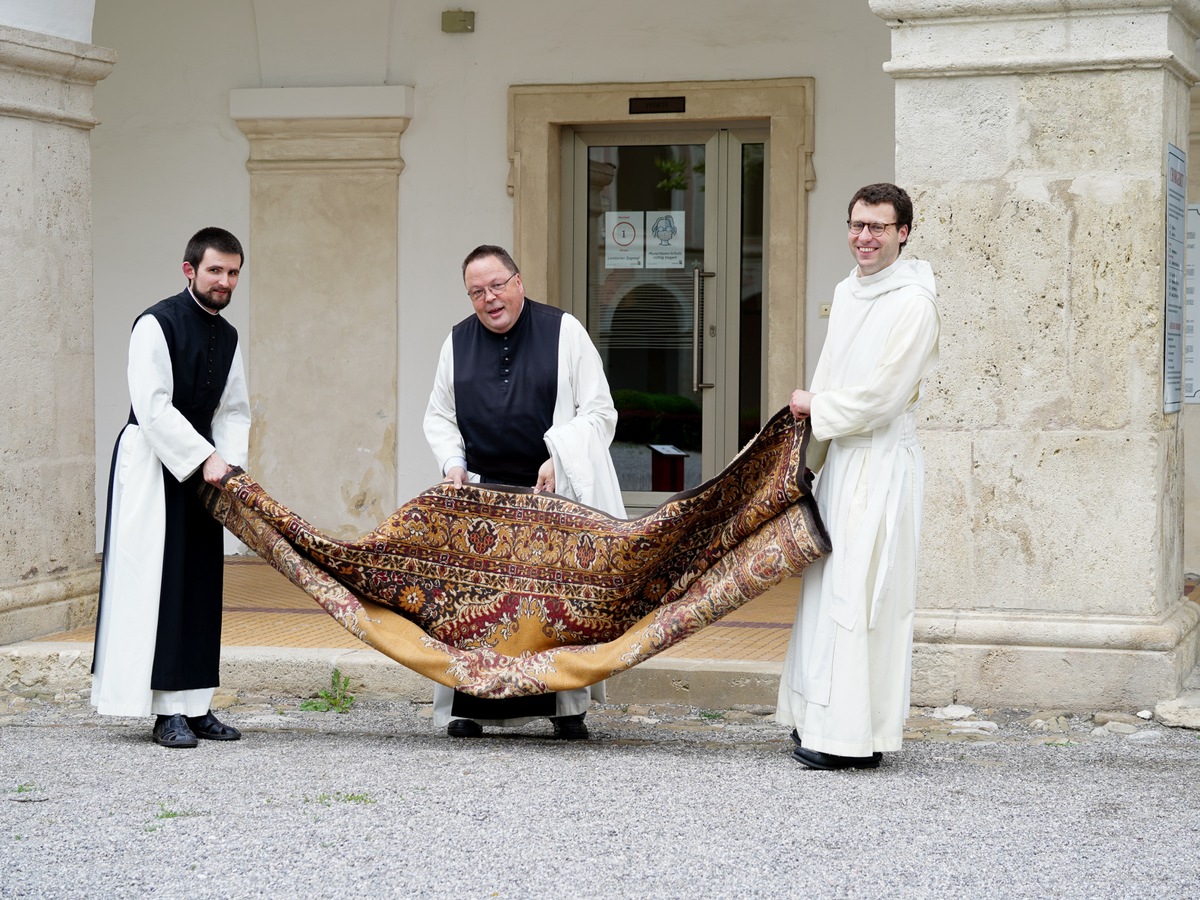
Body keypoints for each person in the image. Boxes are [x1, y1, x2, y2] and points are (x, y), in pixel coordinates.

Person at [424, 244, 626, 740]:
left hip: (548, 495)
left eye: (497, 286)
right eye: (476, 292)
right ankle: (471, 706)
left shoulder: (565, 331)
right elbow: (440, 416)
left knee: (548, 609)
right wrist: (453, 465)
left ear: (518, 281)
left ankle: (565, 709)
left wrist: (559, 459)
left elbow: (600, 412)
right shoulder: (456, 342)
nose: (489, 299)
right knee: (479, 610)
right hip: (483, 498)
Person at [777, 183, 940, 770]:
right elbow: (830, 373)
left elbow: (883, 397)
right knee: (827, 593)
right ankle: (817, 720)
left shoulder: (915, 304)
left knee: (863, 596)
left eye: (877, 227)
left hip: (880, 463)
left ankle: (854, 738)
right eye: (856, 225)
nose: (863, 237)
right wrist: (805, 460)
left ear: (903, 233)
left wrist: (815, 406)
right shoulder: (849, 291)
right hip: (841, 460)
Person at [91, 227, 251, 749]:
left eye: (232, 273)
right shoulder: (155, 324)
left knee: (201, 581)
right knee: (159, 584)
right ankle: (164, 710)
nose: (224, 281)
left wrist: (229, 468)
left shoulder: (227, 337)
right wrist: (204, 456)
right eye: (215, 271)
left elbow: (233, 410)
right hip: (151, 464)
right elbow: (153, 406)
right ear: (190, 270)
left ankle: (198, 704)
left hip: (203, 470)